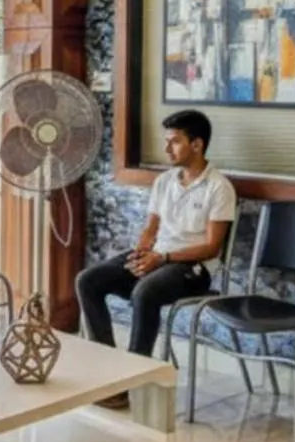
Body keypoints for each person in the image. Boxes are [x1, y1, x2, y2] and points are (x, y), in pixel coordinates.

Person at [76, 109, 237, 401]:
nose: (167, 149)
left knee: (144, 293)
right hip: (160, 258)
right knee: (88, 280)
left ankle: (132, 379)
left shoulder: (219, 187)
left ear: (197, 145)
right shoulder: (165, 182)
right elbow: (151, 229)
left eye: (174, 142)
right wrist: (142, 252)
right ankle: (107, 370)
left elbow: (213, 247)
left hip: (193, 269)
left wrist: (162, 259)